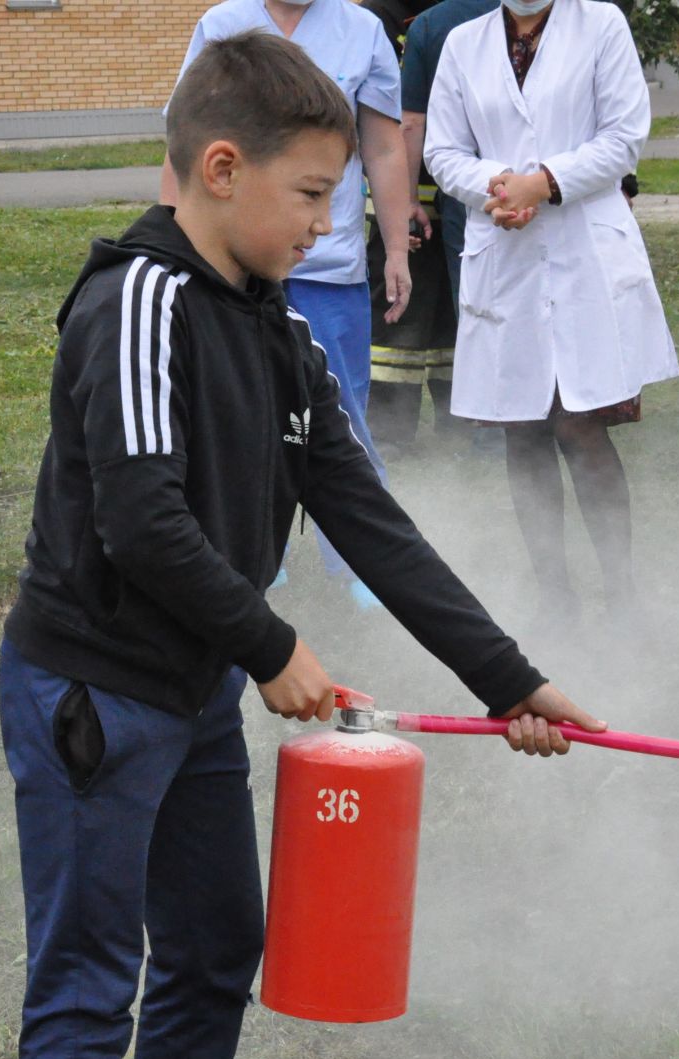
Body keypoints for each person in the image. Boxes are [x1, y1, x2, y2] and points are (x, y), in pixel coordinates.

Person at [0, 32, 601, 1059]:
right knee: (85, 995)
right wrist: (274, 647)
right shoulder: (137, 303)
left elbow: (368, 514)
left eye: (338, 196)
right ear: (221, 168)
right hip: (96, 699)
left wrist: (509, 678)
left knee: (217, 947)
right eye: (314, 194)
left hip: (194, 693)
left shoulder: (275, 330)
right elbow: (141, 520)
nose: (331, 225)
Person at [425, 0, 678, 622]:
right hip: (504, 247)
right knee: (523, 425)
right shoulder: (462, 43)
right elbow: (443, 150)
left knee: (578, 422)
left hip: (584, 246)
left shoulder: (601, 24)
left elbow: (623, 139)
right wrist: (497, 188)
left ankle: (622, 594)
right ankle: (554, 597)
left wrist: (542, 182)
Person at [164, 0, 417, 610]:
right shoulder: (221, 24)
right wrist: (175, 247)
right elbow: (183, 146)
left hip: (328, 263)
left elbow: (383, 151)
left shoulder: (362, 31)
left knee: (342, 409)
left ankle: (360, 557)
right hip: (233, 260)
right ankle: (250, 548)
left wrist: (397, 250)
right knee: (233, 407)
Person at [397, 0, 496, 454]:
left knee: (477, 310)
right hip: (546, 188)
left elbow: (412, 121)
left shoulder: (434, 25)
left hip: (468, 196)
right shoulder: (547, 13)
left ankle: (493, 431)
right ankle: (561, 417)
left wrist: (402, 199)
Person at [360, 0, 458, 456]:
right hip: (408, 189)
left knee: (446, 316)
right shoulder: (379, 15)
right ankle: (388, 425)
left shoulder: (442, 16)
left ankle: (452, 420)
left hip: (449, 187)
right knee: (398, 307)